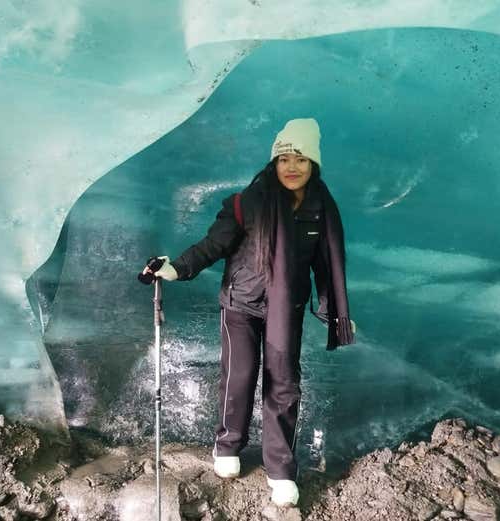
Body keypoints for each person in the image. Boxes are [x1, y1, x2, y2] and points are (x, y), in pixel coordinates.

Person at [142, 118, 356, 507]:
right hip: (240, 304)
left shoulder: (321, 207)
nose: (292, 167)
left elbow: (326, 265)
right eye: (284, 158)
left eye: (301, 159)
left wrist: (335, 312)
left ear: (314, 165)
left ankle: (280, 469)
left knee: (284, 383)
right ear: (273, 162)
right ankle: (228, 446)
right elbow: (214, 244)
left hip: (284, 308)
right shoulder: (249, 202)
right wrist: (176, 268)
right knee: (239, 376)